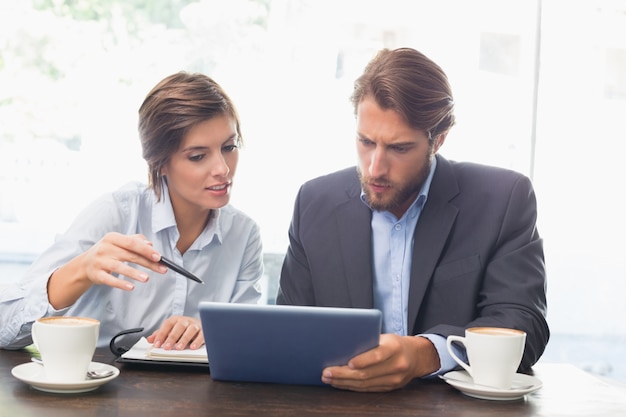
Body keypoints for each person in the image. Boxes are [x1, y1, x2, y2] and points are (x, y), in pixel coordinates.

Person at [276, 47, 549, 392]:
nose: (374, 167)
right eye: (365, 141)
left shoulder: (503, 199)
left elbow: (523, 324)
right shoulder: (314, 202)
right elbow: (289, 329)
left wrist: (426, 353)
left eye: (399, 148)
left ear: (438, 140)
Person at [0, 72, 263, 351]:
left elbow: (249, 342)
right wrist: (81, 270)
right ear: (159, 162)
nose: (223, 169)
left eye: (229, 147)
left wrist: (210, 332)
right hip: (98, 388)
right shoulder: (114, 214)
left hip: (196, 394)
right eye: (197, 156)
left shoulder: (244, 234)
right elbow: (5, 327)